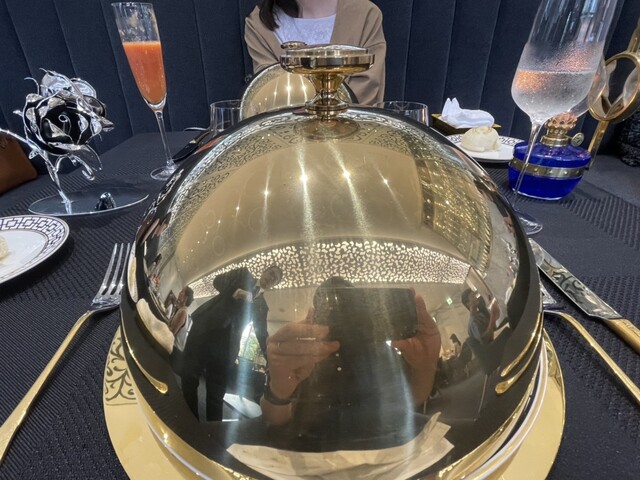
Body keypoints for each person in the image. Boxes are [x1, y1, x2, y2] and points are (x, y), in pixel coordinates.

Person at [261, 278, 441, 450]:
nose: (341, 315)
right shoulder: (303, 354)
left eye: (349, 307)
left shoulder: (380, 350)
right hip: (313, 449)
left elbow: (411, 401)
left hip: (383, 446)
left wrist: (425, 366)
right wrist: (279, 389)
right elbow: (275, 419)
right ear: (316, 315)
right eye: (331, 309)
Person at [176, 265, 283, 421]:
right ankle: (190, 418)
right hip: (205, 330)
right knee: (189, 377)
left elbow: (261, 332)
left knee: (216, 395)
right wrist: (237, 291)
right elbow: (217, 281)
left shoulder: (262, 306)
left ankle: (214, 431)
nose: (271, 278)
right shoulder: (243, 274)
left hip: (226, 348)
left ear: (274, 285)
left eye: (275, 279)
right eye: (271, 273)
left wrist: (271, 359)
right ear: (264, 270)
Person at [244, 0, 387, 106]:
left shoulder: (365, 15)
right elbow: (269, 99)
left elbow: (366, 98)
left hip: (352, 135)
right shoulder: (258, 24)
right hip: (286, 136)